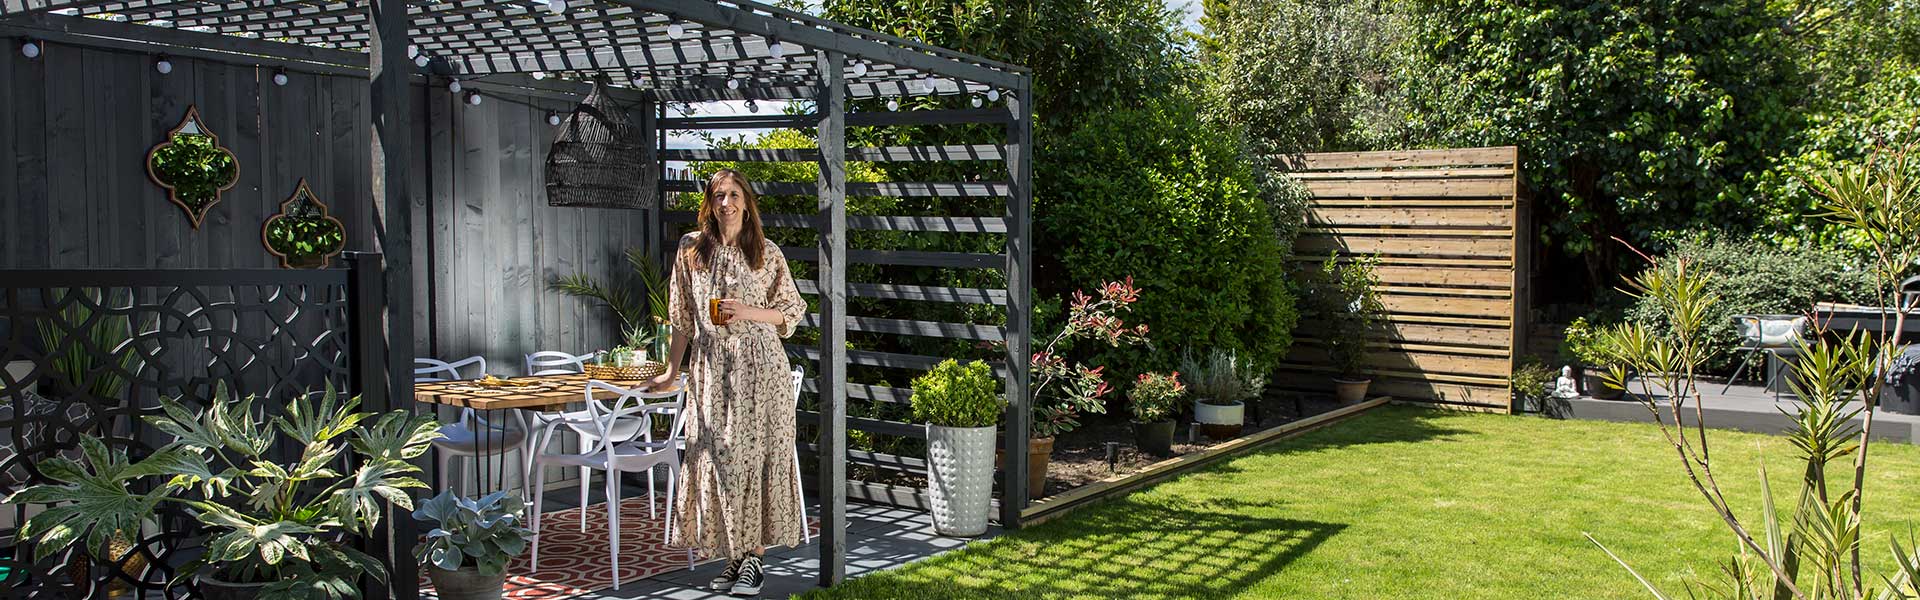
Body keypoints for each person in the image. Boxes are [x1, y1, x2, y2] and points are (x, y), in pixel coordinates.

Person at [649, 169, 808, 596]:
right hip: (711, 369)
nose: (726, 203)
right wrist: (672, 371)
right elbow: (682, 317)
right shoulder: (691, 250)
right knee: (719, 460)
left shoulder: (766, 252)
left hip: (760, 368)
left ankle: (753, 559)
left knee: (755, 459)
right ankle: (734, 556)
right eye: (719, 195)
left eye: (734, 195)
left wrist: (747, 311)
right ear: (709, 203)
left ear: (746, 203)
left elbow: (790, 311)